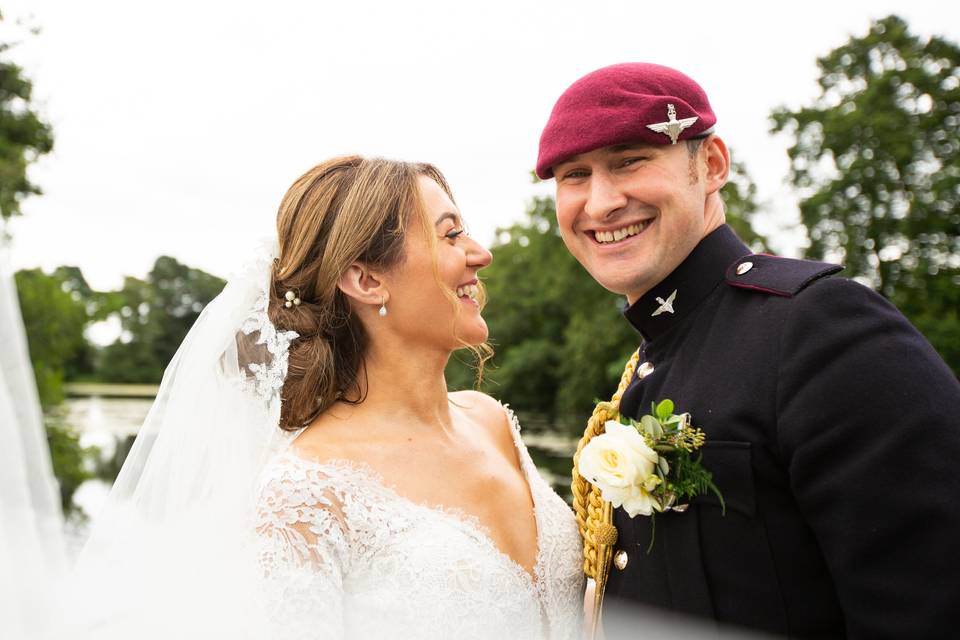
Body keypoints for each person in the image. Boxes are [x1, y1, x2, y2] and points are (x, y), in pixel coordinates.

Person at [63, 157, 584, 639]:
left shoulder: (493, 421)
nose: (481, 254)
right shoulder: (306, 493)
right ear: (365, 279)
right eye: (450, 235)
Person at [535, 63, 960, 638]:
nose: (602, 202)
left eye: (630, 160)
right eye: (574, 176)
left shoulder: (820, 327)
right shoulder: (651, 361)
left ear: (710, 165)